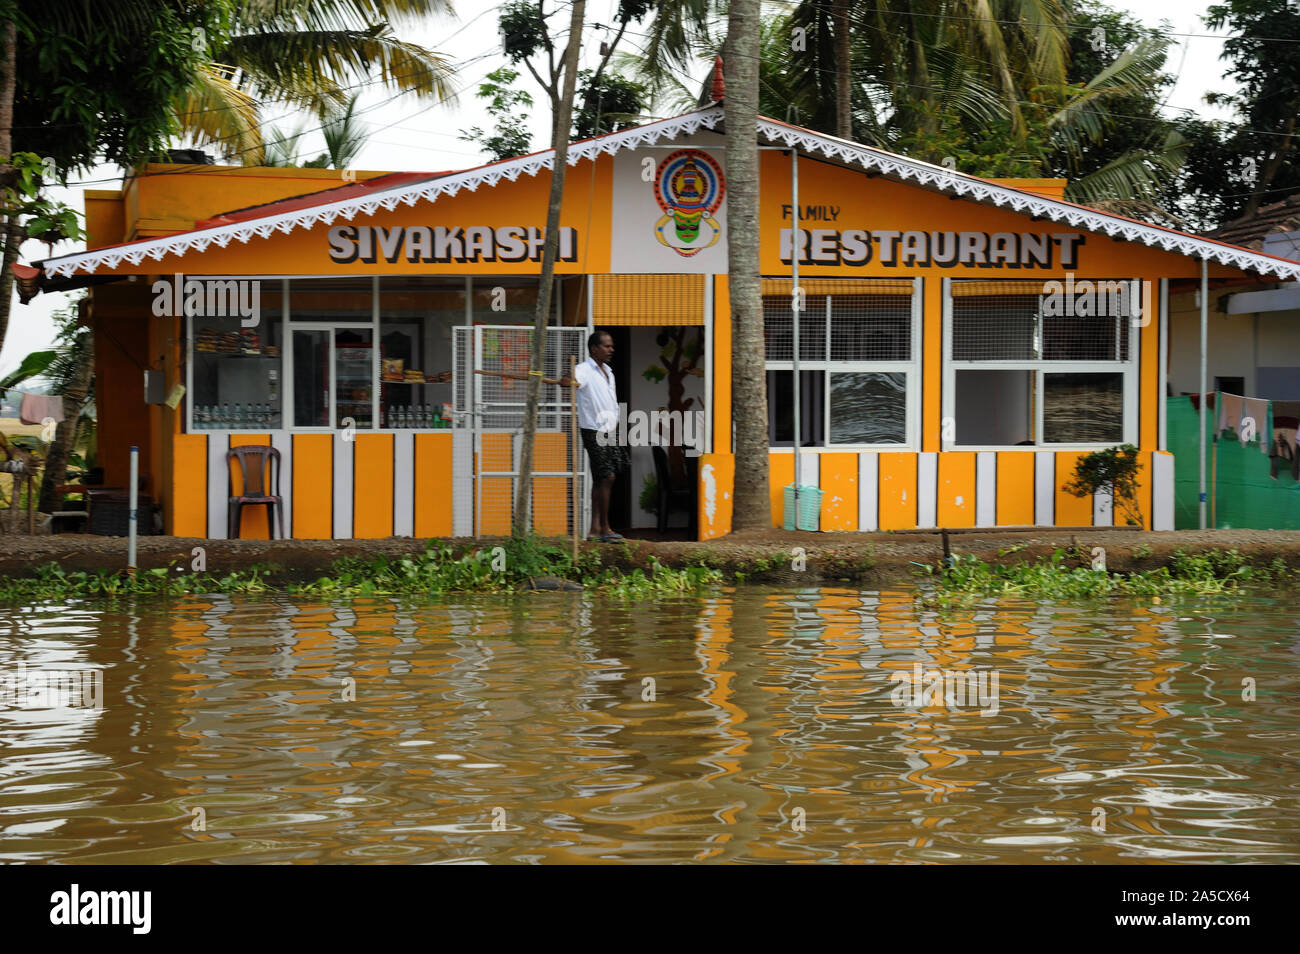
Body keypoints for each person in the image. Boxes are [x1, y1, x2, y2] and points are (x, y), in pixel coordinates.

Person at [561, 330, 628, 541]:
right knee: (607, 476)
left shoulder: (608, 371)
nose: (611, 350)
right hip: (593, 429)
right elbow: (572, 379)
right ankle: (605, 528)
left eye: (612, 346)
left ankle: (594, 530)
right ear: (594, 349)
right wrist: (567, 380)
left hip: (609, 429)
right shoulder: (584, 370)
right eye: (607, 346)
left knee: (601, 478)